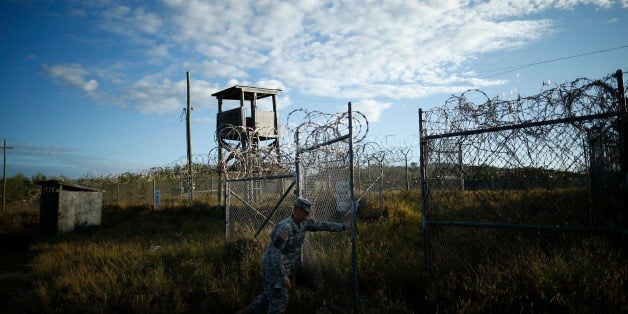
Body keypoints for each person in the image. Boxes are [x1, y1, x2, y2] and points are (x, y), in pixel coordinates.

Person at [238, 197, 352, 314]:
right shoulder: (284, 228)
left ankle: (246, 312)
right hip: (273, 266)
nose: (308, 214)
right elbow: (274, 254)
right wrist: (283, 277)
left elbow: (321, 225)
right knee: (280, 298)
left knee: (270, 293)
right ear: (298, 211)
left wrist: (343, 227)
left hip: (282, 266)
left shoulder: (304, 223)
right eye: (306, 212)